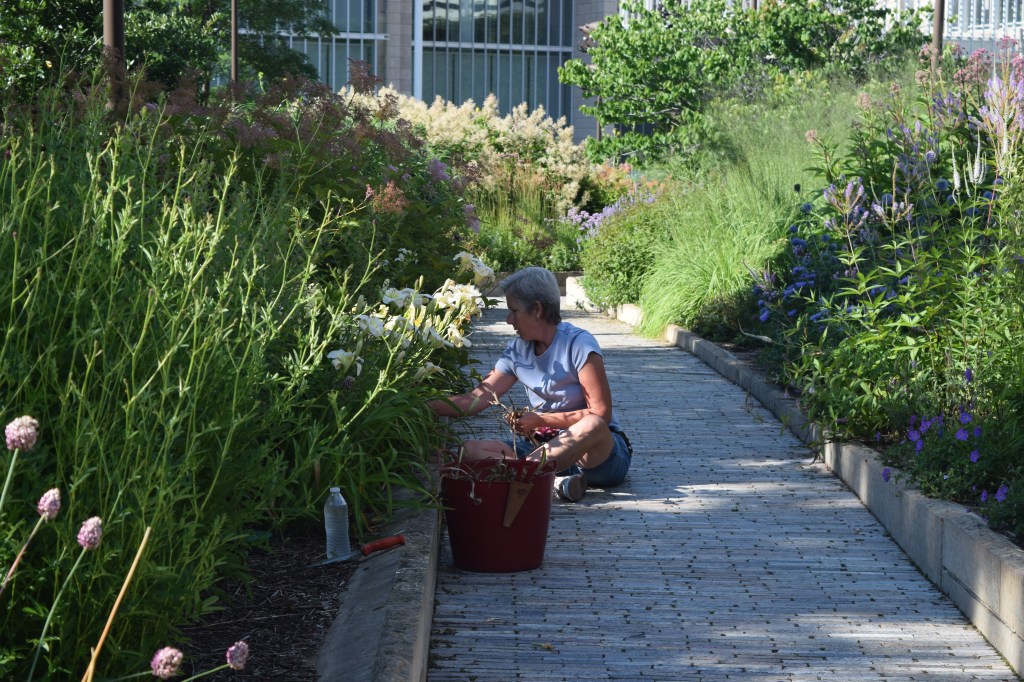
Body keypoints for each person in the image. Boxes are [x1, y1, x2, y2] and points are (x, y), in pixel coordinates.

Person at [428, 266, 632, 501]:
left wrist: (540, 420)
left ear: (537, 309)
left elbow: (601, 414)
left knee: (593, 424)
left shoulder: (579, 344)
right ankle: (553, 482)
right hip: (542, 449)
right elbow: (474, 400)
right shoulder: (517, 350)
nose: (508, 319)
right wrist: (422, 406)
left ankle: (525, 476)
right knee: (470, 450)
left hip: (595, 456)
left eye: (514, 310)